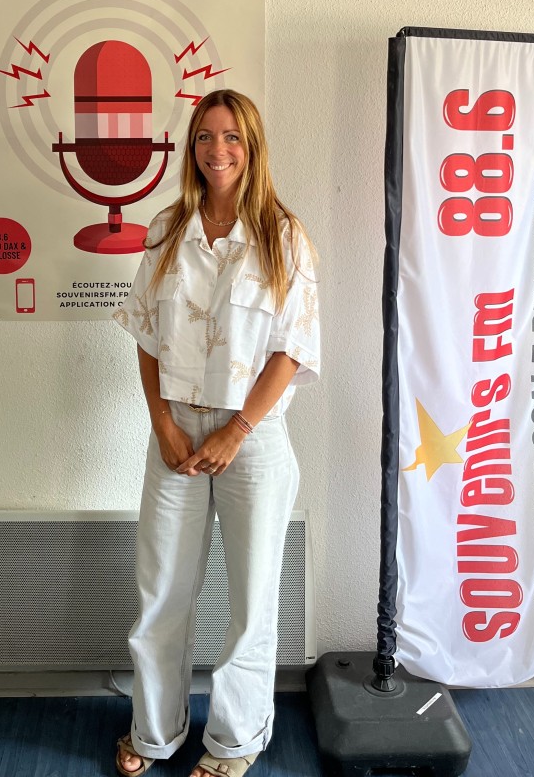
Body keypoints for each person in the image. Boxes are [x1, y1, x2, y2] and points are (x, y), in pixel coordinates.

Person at [112, 89, 320, 777]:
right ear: (191, 146)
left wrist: (236, 430)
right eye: (205, 135)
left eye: (231, 136)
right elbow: (145, 334)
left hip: (251, 439)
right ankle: (153, 732)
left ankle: (233, 741)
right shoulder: (166, 229)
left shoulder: (283, 236)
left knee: (251, 600)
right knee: (161, 593)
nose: (217, 149)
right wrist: (163, 424)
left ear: (251, 146)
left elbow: (291, 349)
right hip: (174, 431)